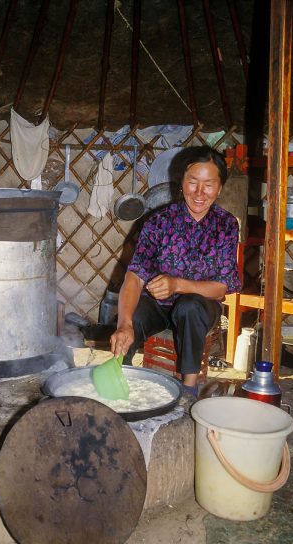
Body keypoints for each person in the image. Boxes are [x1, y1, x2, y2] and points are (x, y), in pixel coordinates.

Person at [110, 145, 241, 399]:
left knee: (189, 306)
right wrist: (124, 324)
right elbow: (134, 276)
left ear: (220, 188)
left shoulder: (225, 225)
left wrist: (177, 284)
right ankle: (118, 380)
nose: (200, 193)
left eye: (209, 184)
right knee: (133, 315)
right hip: (159, 305)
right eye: (193, 182)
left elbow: (221, 286)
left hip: (201, 309)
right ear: (181, 182)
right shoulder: (158, 222)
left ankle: (188, 388)